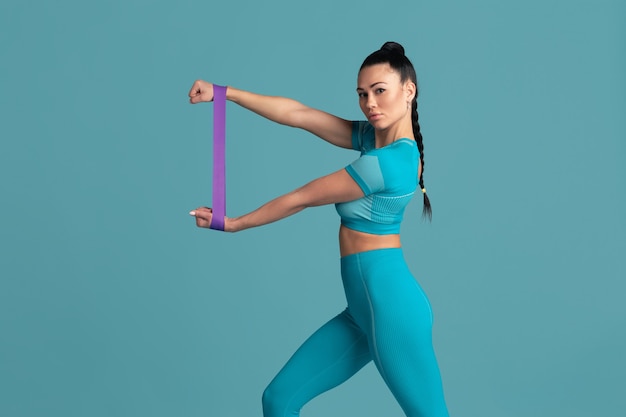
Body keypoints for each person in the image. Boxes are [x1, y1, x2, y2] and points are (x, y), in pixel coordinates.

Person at [188, 41, 450, 417]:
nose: (369, 103)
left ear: (408, 91)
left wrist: (234, 224)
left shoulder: (391, 162)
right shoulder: (375, 140)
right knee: (279, 400)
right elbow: (299, 114)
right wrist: (225, 93)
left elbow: (303, 196)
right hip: (363, 308)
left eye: (380, 91)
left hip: (392, 309)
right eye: (362, 94)